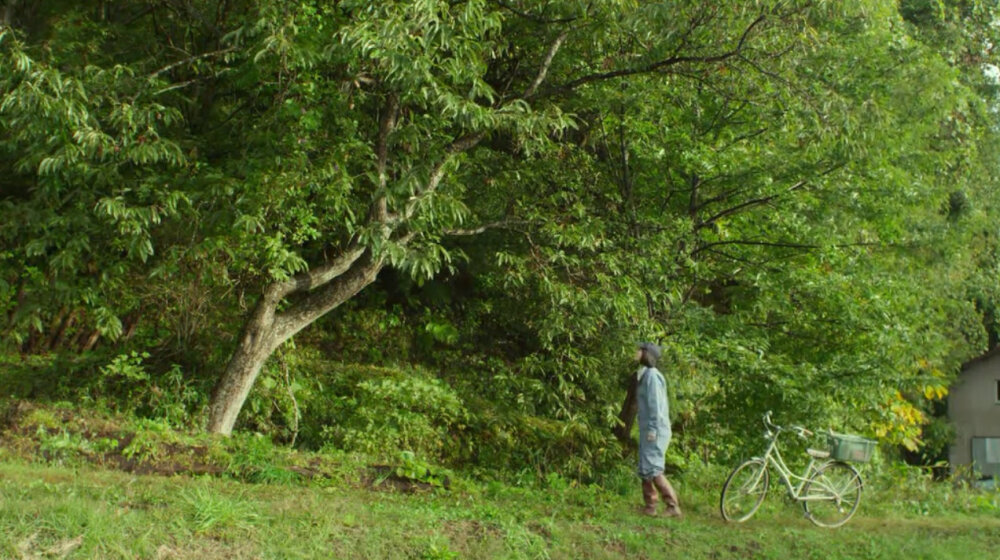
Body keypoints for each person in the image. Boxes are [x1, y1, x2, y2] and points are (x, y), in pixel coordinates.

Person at [635, 342, 682, 517]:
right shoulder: (645, 374)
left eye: (639, 350)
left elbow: (656, 407)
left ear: (646, 354)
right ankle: (650, 507)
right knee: (645, 467)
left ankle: (672, 506)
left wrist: (653, 430)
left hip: (655, 429)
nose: (636, 352)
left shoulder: (652, 376)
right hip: (649, 428)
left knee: (653, 468)